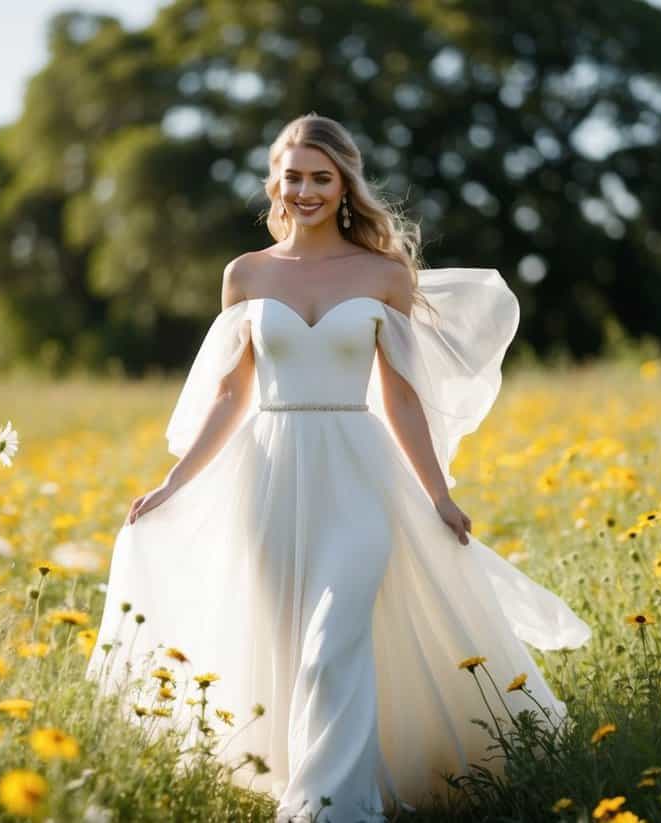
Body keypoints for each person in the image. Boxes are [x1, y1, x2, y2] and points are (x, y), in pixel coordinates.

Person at [85, 113, 591, 822]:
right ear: (275, 182)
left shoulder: (384, 275)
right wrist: (174, 482)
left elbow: (404, 396)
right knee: (291, 646)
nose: (306, 190)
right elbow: (232, 394)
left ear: (345, 184)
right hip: (268, 476)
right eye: (293, 176)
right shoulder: (246, 275)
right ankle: (305, 784)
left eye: (321, 177)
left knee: (333, 643)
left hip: (359, 473)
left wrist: (439, 495)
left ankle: (331, 810)